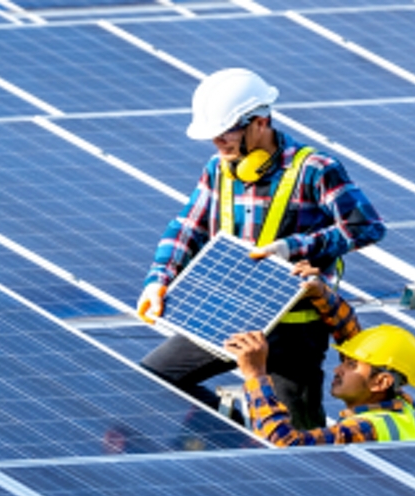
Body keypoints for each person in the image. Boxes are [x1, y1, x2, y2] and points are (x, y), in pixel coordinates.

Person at [136, 68, 386, 430]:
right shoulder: (218, 169)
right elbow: (187, 228)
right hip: (228, 316)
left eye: (226, 132)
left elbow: (367, 226)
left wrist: (292, 248)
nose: (218, 142)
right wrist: (158, 279)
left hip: (294, 332)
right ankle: (234, 428)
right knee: (151, 378)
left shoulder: (315, 169)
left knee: (295, 439)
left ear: (260, 122)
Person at [224, 321, 415, 446]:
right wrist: (320, 291)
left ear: (381, 382)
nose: (337, 370)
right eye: (343, 362)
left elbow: (283, 445)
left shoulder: (366, 428)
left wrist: (256, 375)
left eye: (351, 365)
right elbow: (350, 331)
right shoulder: (401, 408)